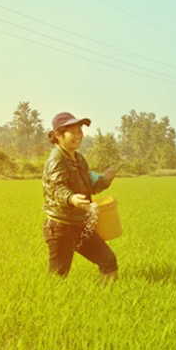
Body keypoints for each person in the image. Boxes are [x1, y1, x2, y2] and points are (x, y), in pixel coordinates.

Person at [42, 112, 119, 283]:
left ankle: (106, 300)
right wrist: (72, 199)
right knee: (57, 277)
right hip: (60, 227)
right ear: (58, 135)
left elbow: (89, 187)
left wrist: (106, 180)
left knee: (108, 261)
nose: (78, 136)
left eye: (80, 131)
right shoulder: (56, 160)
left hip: (79, 225)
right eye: (73, 132)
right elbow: (56, 188)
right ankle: (51, 305)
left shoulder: (79, 159)